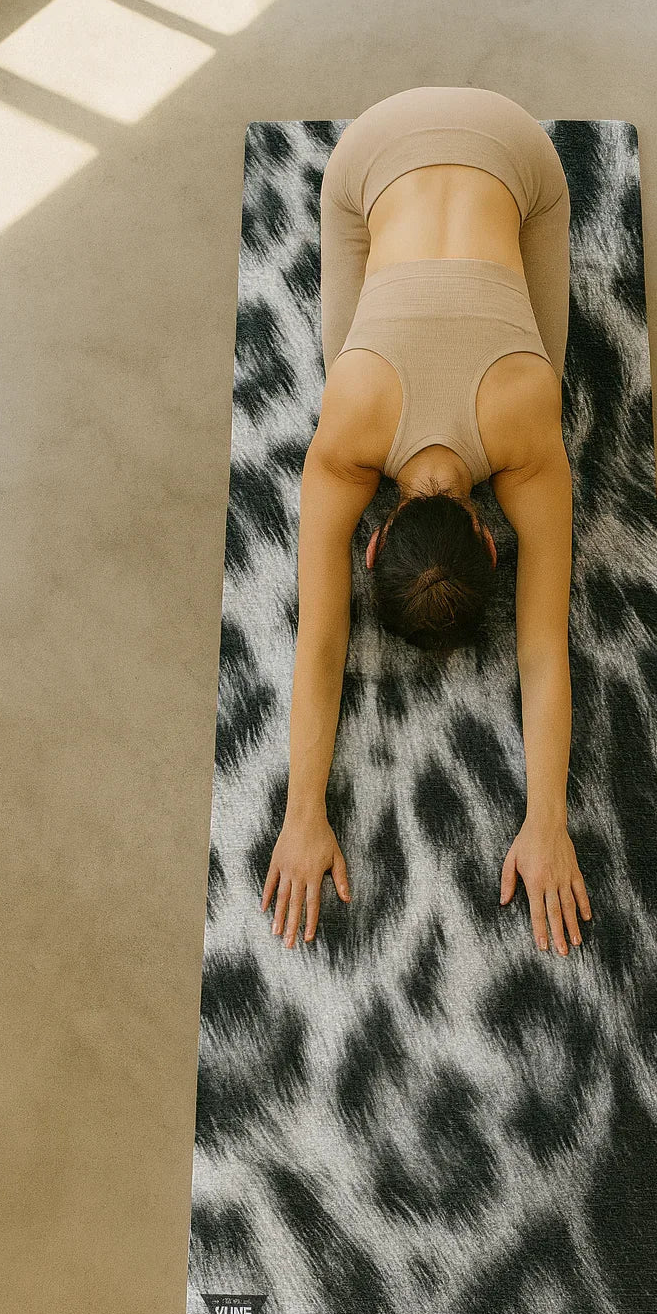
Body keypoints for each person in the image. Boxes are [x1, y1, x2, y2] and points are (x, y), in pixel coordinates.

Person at [260, 87, 592, 956]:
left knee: (544, 362)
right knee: (347, 361)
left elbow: (543, 644)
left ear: (489, 538)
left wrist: (551, 821)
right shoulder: (345, 441)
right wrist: (298, 818)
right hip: (369, 151)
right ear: (374, 539)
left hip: (519, 146)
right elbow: (322, 640)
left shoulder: (529, 430)